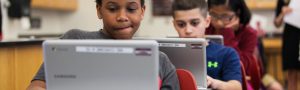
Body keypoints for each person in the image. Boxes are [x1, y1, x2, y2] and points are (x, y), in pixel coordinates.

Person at [27, 0, 180, 90]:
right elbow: (37, 85)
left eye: (131, 9)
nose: (122, 17)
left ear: (142, 11)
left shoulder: (161, 61)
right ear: (99, 10)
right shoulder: (74, 40)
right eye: (112, 9)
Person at [171, 0, 242, 89]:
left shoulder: (226, 53)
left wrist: (215, 83)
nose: (188, 30)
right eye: (181, 24)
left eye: (194, 23)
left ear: (207, 21)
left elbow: (237, 87)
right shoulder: (164, 55)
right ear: (174, 25)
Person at [205, 0, 261, 89]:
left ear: (237, 13)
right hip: (209, 78)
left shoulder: (249, 33)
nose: (219, 22)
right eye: (214, 15)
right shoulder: (206, 27)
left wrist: (227, 33)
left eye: (225, 16)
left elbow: (244, 65)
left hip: (236, 81)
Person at [274, 0, 300, 90]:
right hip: (291, 37)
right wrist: (282, 13)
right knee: (292, 71)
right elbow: (277, 23)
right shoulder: (282, 1)